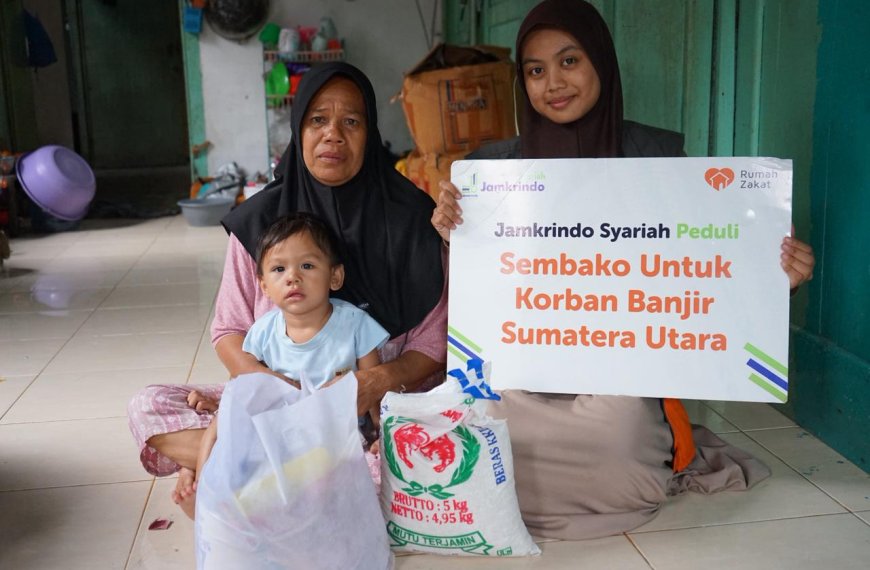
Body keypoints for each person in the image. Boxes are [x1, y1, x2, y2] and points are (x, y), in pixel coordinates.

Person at [431, 0, 816, 540]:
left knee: (621, 434)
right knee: (489, 426)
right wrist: (454, 236)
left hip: (619, 371)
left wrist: (772, 275)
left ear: (602, 65)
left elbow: (702, 269)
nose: (552, 83)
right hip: (523, 368)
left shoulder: (656, 157)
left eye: (570, 61)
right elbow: (477, 301)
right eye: (536, 70)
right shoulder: (494, 170)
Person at [127, 62, 448, 515]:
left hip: (379, 406)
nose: (333, 134)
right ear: (299, 131)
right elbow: (230, 331)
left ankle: (235, 465)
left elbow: (435, 345)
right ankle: (291, 469)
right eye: (318, 120)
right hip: (276, 393)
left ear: (370, 133)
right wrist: (275, 388)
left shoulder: (414, 218)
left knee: (425, 448)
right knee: (148, 405)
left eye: (351, 121)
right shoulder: (260, 223)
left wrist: (373, 381)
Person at [189, 212, 389, 518]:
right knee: (221, 430)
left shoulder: (356, 325)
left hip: (342, 440)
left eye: (307, 266)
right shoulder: (262, 332)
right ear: (264, 286)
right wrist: (218, 407)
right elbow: (239, 394)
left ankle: (291, 501)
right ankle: (204, 483)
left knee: (376, 476)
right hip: (279, 437)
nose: (292, 277)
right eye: (279, 269)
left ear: (335, 276)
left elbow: (376, 396)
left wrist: (382, 440)